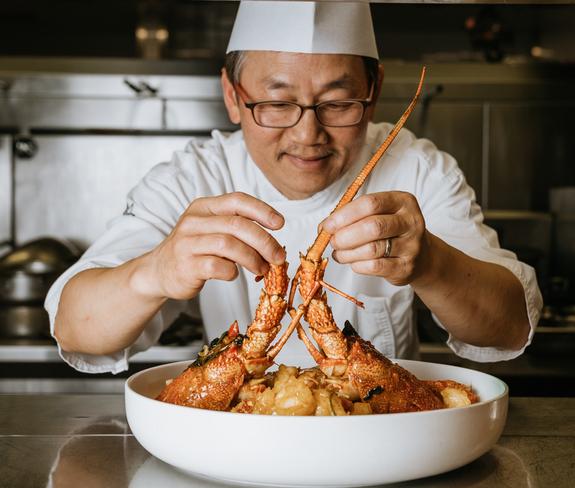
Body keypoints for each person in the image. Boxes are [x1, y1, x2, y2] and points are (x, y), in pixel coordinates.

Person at [45, 1, 542, 374]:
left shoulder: (417, 168)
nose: (308, 136)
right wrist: (154, 271)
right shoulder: (193, 178)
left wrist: (432, 261)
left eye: (338, 103)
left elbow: (508, 327)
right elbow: (76, 327)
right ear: (232, 97)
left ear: (374, 92)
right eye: (276, 104)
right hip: (236, 447)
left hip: (383, 447)